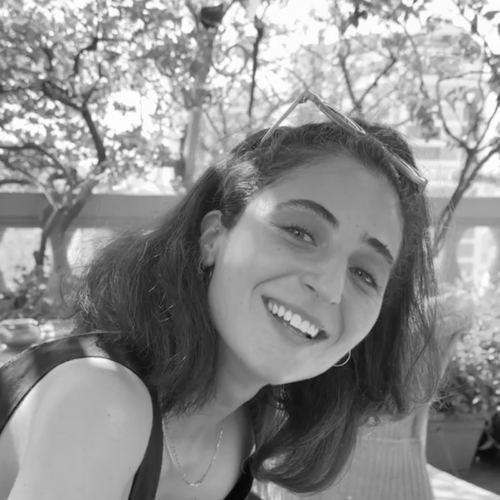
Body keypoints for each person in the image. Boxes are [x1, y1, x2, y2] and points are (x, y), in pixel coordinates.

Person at [0, 90, 441, 500]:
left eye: (364, 272)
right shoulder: (99, 399)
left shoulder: (241, 427)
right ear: (213, 237)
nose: (327, 286)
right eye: (300, 232)